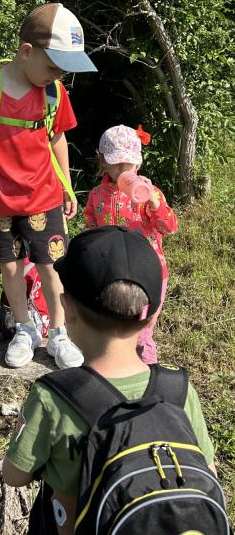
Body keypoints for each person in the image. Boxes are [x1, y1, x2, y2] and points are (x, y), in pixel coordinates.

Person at [2, 226, 219, 535]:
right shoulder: (177, 389)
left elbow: (14, 475)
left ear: (67, 309)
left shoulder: (55, 396)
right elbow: (208, 469)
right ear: (151, 313)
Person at [0, 2, 97, 370]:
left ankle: (59, 332)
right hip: (0, 202)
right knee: (9, 267)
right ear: (27, 51)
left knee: (52, 267)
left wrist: (68, 186)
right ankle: (25, 328)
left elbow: (58, 138)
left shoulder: (54, 93)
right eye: (54, 66)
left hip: (45, 197)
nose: (58, 75)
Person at [83, 125, 178, 363]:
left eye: (129, 164)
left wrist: (154, 203)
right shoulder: (97, 195)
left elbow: (169, 228)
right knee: (113, 329)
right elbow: (91, 227)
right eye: (117, 164)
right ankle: (114, 370)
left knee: (140, 332)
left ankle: (148, 371)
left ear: (138, 163)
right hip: (113, 272)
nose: (124, 170)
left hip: (149, 272)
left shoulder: (150, 193)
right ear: (103, 162)